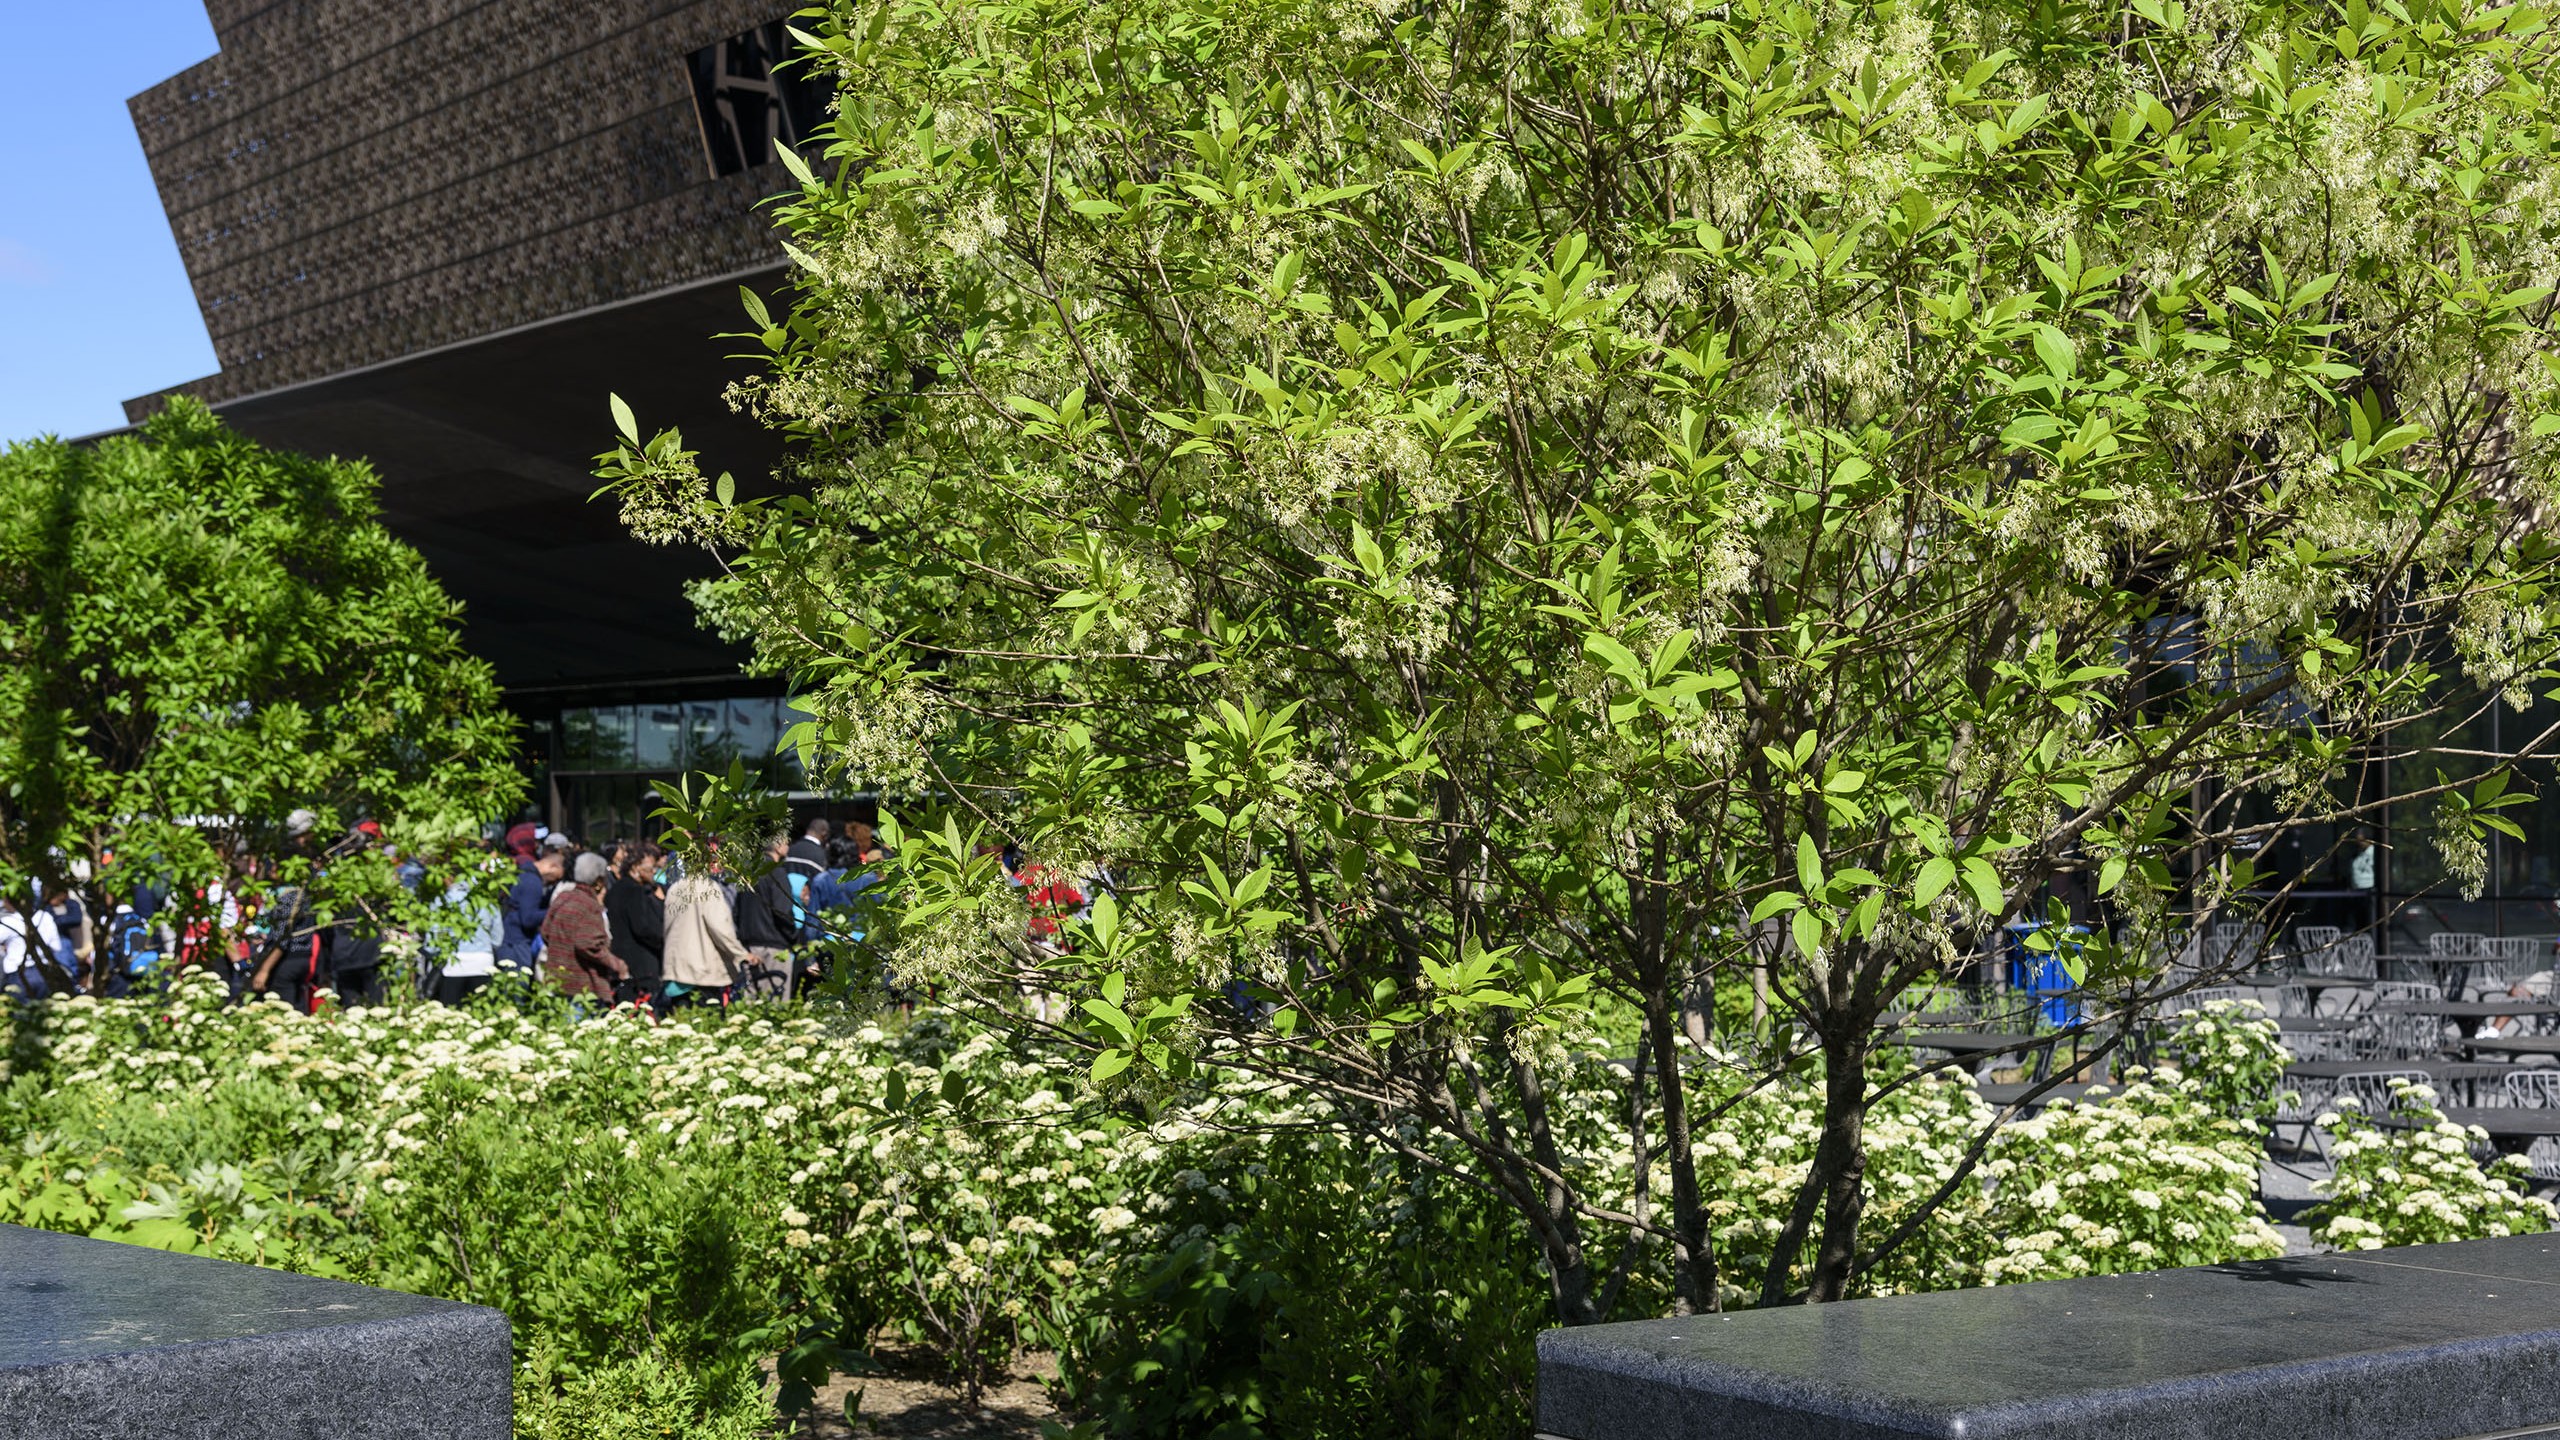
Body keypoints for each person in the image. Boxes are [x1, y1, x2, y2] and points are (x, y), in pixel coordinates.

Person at [662, 852, 753, 1012]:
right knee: (706, 1024)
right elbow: (721, 929)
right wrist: (741, 954)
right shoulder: (708, 888)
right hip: (702, 971)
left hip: (676, 969)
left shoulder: (674, 889)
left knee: (681, 1024)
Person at [541, 852, 625, 1006]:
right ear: (599, 881)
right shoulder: (588, 905)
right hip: (582, 987)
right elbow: (588, 944)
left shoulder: (563, 898)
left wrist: (561, 949)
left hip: (557, 980)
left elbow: (545, 932)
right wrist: (617, 964)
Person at [732, 835, 798, 1000]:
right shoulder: (776, 872)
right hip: (774, 948)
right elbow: (782, 911)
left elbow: (736, 911)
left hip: (749, 948)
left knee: (750, 1007)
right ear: (778, 846)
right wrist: (795, 936)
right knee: (775, 1008)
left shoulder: (747, 872)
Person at [431, 858, 504, 1006]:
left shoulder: (443, 900)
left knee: (450, 1015)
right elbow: (497, 938)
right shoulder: (486, 899)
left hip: (453, 963)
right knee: (481, 1013)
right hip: (483, 962)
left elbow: (436, 935)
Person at [605, 843, 668, 1008]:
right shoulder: (635, 891)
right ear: (635, 867)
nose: (654, 871)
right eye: (651, 867)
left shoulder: (616, 889)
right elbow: (643, 927)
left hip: (622, 958)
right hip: (641, 963)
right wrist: (662, 940)